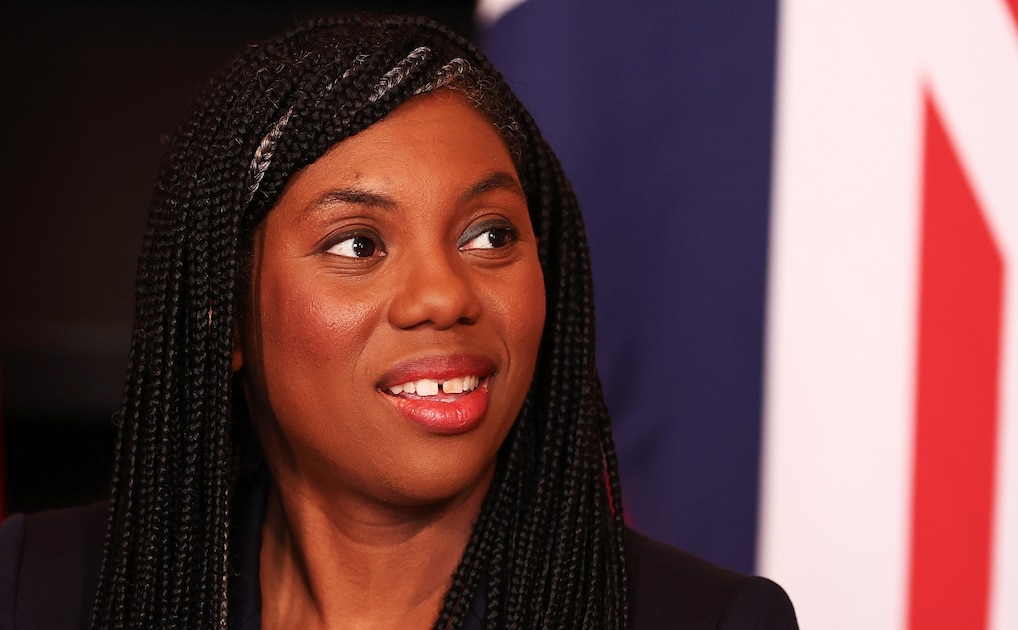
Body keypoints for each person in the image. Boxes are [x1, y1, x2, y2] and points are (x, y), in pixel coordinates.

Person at [0, 13, 798, 629]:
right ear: (227, 315)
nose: (444, 295)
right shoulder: (39, 590)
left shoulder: (701, 621)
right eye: (358, 243)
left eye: (490, 234)